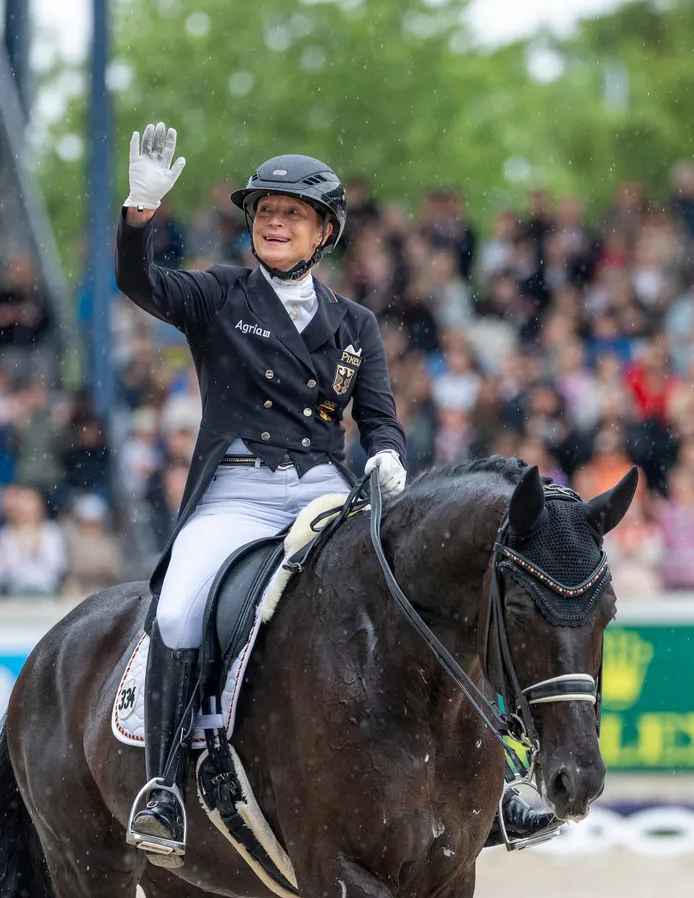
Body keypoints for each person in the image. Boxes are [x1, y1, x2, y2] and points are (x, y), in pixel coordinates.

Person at [116, 124, 543, 858]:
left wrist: (388, 456)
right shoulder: (220, 293)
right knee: (181, 607)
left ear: (324, 233)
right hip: (237, 489)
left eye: (291, 213)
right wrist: (139, 215)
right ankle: (162, 789)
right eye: (264, 212)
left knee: (427, 591)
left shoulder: (354, 324)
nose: (274, 223)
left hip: (321, 487)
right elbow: (140, 284)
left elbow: (379, 419)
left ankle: (496, 776)